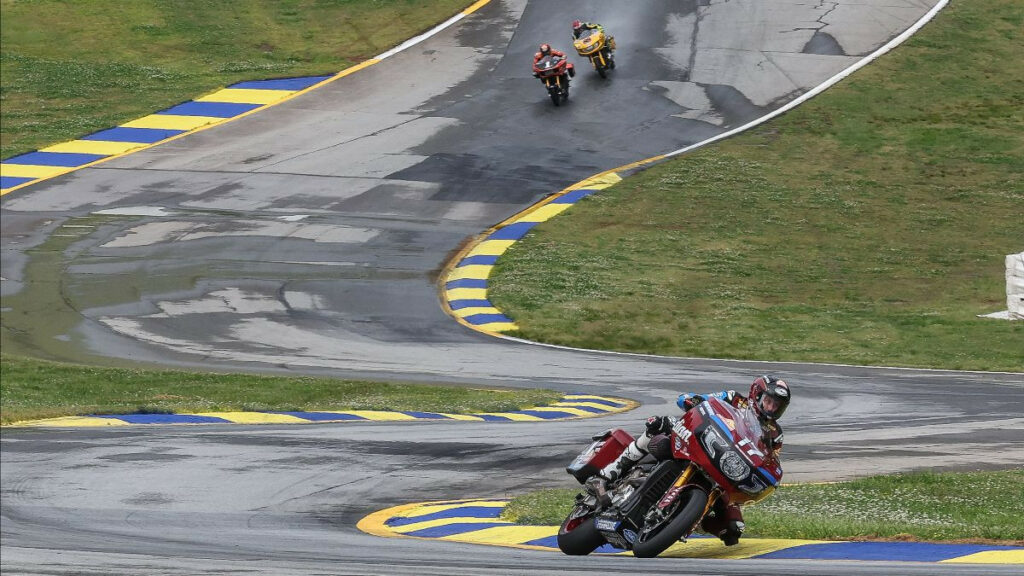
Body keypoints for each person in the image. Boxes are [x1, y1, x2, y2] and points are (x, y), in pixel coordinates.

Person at [586, 375, 791, 546]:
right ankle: (608, 473)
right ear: (757, 394)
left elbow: (769, 459)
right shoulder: (734, 399)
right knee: (658, 429)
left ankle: (686, 520)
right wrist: (692, 400)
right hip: (696, 438)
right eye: (769, 401)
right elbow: (700, 399)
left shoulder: (775, 434)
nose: (772, 408)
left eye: (777, 405)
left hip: (725, 466)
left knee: (733, 528)